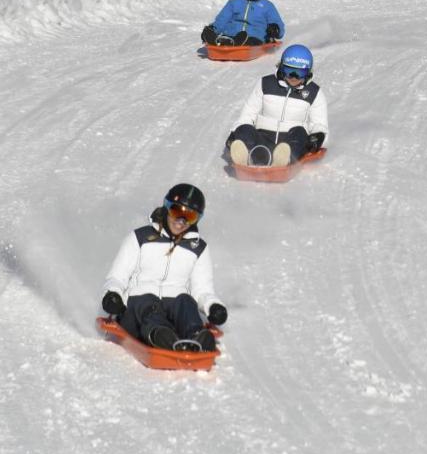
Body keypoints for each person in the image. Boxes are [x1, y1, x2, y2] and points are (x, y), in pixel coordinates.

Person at [100, 183, 228, 352]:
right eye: (177, 211)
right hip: (137, 311)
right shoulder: (140, 238)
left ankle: (196, 337)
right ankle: (160, 336)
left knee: (186, 301)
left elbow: (202, 290)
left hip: (172, 310)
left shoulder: (198, 248)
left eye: (189, 216)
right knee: (147, 301)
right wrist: (113, 295)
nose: (181, 221)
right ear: (167, 207)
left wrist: (213, 306)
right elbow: (117, 276)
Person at [226, 44, 329, 167]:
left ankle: (283, 159)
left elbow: (320, 124)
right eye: (289, 71)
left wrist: (318, 136)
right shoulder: (265, 84)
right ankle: (248, 157)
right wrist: (235, 132)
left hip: (291, 141)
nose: (294, 77)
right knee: (244, 128)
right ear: (281, 67)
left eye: (300, 72)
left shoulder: (314, 92)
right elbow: (248, 114)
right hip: (263, 139)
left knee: (300, 132)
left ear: (308, 72)